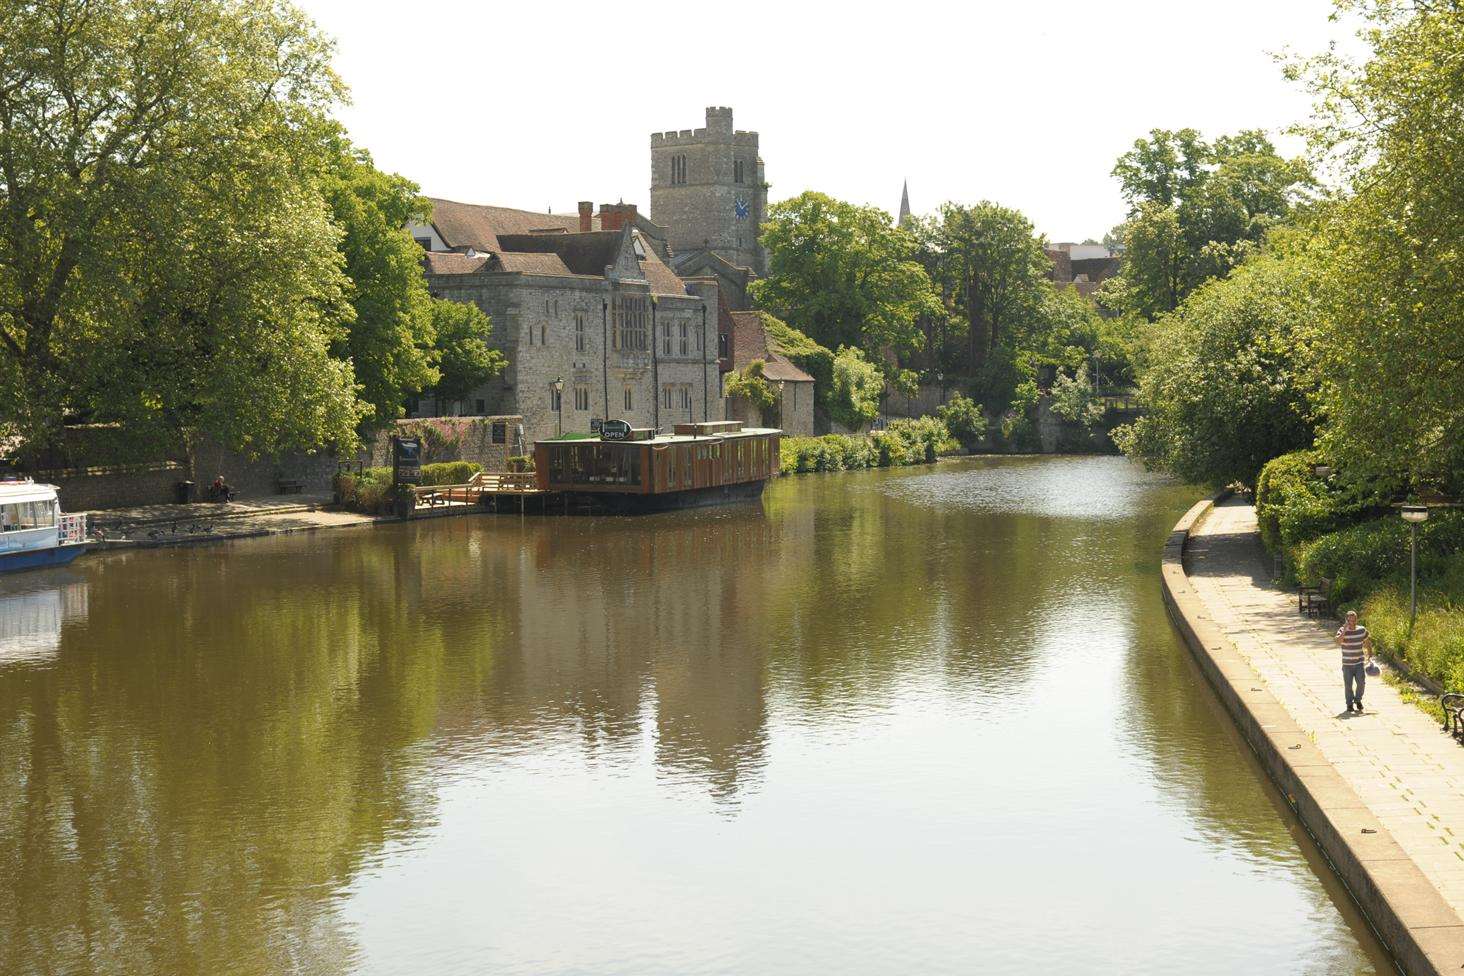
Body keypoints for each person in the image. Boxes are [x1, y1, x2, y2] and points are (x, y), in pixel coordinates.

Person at [1334, 610, 1374, 714]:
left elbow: (1368, 641)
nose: (1352, 622)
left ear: (1356, 620)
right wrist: (1344, 630)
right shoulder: (1342, 630)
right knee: (1348, 685)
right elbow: (1338, 641)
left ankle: (1358, 700)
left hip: (1359, 662)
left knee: (1361, 683)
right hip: (1347, 664)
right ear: (1346, 621)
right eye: (1350, 621)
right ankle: (1349, 704)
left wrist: (1370, 653)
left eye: (1354, 620)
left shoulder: (1361, 630)